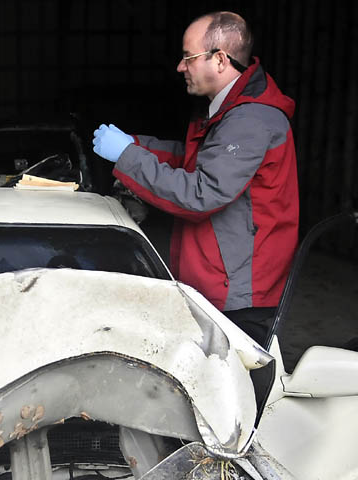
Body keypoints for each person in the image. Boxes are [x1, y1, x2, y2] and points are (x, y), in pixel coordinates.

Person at [92, 11, 298, 343]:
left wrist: (128, 157)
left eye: (188, 57)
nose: (180, 66)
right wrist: (137, 145)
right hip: (218, 280)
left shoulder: (251, 121)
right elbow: (198, 159)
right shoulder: (228, 109)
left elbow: (201, 194)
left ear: (220, 60)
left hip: (236, 294)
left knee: (227, 386)